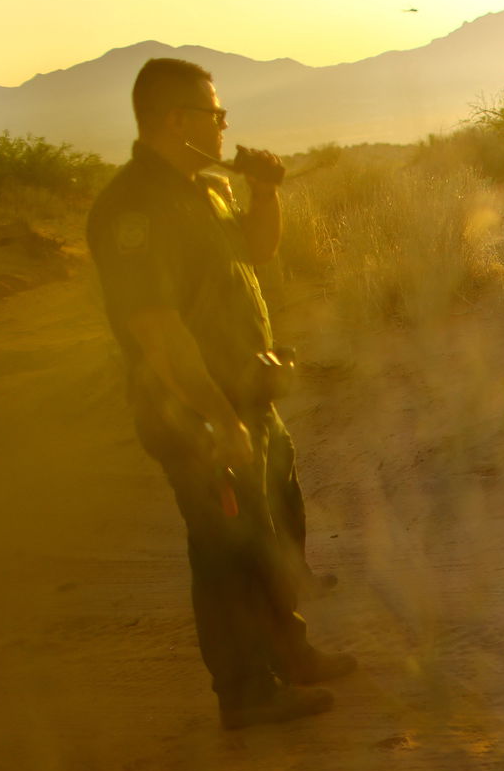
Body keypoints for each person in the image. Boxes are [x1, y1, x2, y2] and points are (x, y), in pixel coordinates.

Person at [86, 58, 354, 729]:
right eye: (215, 113)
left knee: (275, 529)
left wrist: (265, 192)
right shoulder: (132, 208)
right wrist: (216, 419)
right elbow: (157, 331)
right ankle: (245, 692)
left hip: (249, 398)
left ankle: (289, 654)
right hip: (196, 414)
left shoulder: (204, 189)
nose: (226, 124)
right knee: (226, 548)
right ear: (176, 120)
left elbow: (257, 253)